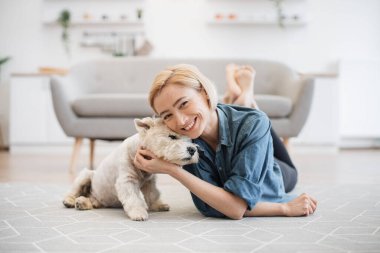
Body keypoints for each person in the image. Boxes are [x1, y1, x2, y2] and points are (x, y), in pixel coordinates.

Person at [133, 63, 317, 220]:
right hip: (231, 125)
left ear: (204, 93)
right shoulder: (183, 140)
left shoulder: (252, 124)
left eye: (183, 104)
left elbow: (235, 209)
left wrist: (283, 208)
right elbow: (212, 206)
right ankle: (241, 98)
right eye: (167, 115)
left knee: (261, 127)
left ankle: (246, 100)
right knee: (247, 122)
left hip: (273, 167)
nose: (180, 121)